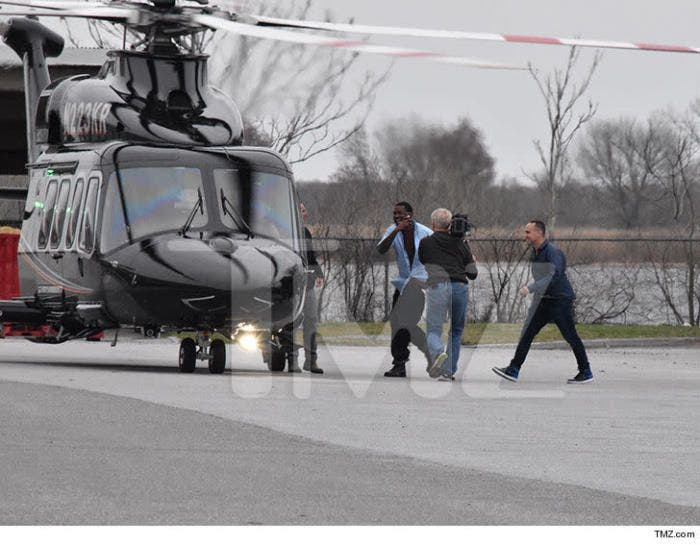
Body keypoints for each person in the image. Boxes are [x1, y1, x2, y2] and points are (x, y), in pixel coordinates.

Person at [492, 220, 594, 384]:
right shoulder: (536, 252)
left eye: (528, 232)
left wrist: (531, 288)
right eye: (525, 232)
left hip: (560, 300)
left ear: (539, 233)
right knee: (527, 333)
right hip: (544, 300)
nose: (525, 235)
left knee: (570, 336)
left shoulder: (552, 252)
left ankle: (586, 371)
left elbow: (554, 276)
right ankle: (513, 369)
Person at [420, 208, 478, 381]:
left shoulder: (426, 243)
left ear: (433, 224)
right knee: (456, 330)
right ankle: (448, 371)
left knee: (434, 328)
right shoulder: (461, 244)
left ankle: (438, 351)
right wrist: (471, 260)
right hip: (459, 286)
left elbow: (423, 260)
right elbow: (472, 274)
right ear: (450, 224)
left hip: (437, 286)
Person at [377, 201, 432, 377]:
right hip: (403, 284)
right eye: (394, 213)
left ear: (410, 214)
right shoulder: (392, 230)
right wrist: (396, 230)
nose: (396, 216)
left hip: (419, 284)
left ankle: (420, 355)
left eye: (400, 213)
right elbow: (381, 249)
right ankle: (403, 362)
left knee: (404, 324)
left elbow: (438, 255)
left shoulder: (424, 232)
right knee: (397, 323)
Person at [298, 202, 324, 374]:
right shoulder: (282, 232)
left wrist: (318, 273)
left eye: (304, 210)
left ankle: (311, 360)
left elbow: (311, 256)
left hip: (307, 283)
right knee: (289, 322)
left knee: (311, 319)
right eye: (301, 210)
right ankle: (290, 358)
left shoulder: (305, 232)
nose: (304, 214)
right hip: (290, 285)